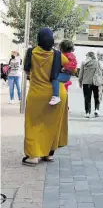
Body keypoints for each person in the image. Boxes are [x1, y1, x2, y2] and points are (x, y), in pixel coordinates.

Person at [22, 28, 73, 166]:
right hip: (56, 94)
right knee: (52, 124)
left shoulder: (31, 53)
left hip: (36, 94)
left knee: (33, 125)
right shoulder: (57, 54)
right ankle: (49, 154)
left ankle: (33, 156)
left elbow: (27, 70)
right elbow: (70, 67)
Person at [49, 40, 77, 105]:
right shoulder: (64, 54)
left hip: (66, 74)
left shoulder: (69, 55)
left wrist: (65, 68)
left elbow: (73, 64)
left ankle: (56, 96)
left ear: (62, 48)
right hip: (65, 74)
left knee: (55, 79)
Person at [78, 52, 102, 118]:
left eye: (86, 55)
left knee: (87, 98)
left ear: (88, 56)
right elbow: (100, 73)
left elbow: (81, 74)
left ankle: (87, 112)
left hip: (86, 82)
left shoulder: (84, 63)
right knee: (96, 97)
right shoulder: (97, 62)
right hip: (96, 82)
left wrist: (80, 82)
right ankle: (97, 110)